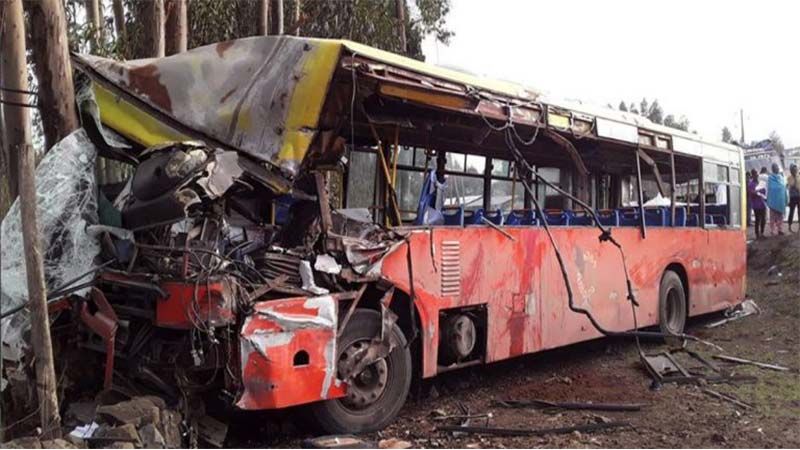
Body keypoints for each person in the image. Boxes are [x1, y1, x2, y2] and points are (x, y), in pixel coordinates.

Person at [766, 163, 787, 236]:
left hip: (781, 200)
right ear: (773, 169)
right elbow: (769, 188)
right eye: (776, 168)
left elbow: (784, 187)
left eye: (777, 167)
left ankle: (780, 230)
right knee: (772, 216)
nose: (777, 169)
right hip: (773, 200)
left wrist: (786, 198)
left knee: (780, 216)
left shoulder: (781, 177)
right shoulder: (770, 178)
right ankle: (772, 230)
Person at [748, 169, 767, 238]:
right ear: (752, 175)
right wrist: (758, 193)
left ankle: (762, 233)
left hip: (762, 203)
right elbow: (752, 193)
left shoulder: (760, 183)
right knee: (757, 220)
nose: (757, 175)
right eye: (755, 174)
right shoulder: (750, 184)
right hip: (756, 205)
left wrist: (758, 193)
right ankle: (757, 234)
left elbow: (764, 191)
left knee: (764, 219)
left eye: (757, 173)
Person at [788, 164, 800, 233]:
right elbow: (792, 186)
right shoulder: (789, 177)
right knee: (791, 212)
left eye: (796, 169)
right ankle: (789, 226)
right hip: (792, 197)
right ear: (791, 170)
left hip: (799, 196)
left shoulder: (798, 176)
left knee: (799, 212)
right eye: (794, 169)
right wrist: (795, 178)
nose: (795, 170)